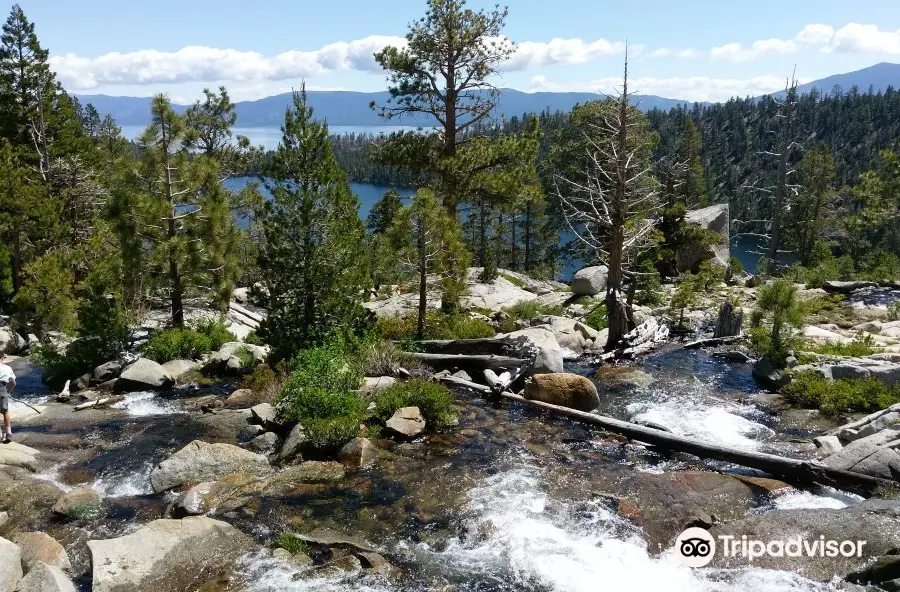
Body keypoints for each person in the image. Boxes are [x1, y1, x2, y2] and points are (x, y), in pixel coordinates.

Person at [0, 353, 16, 444]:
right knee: (5, 412)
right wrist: (9, 391)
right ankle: (8, 433)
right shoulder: (7, 368)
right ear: (2, 358)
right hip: (3, 391)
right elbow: (13, 383)